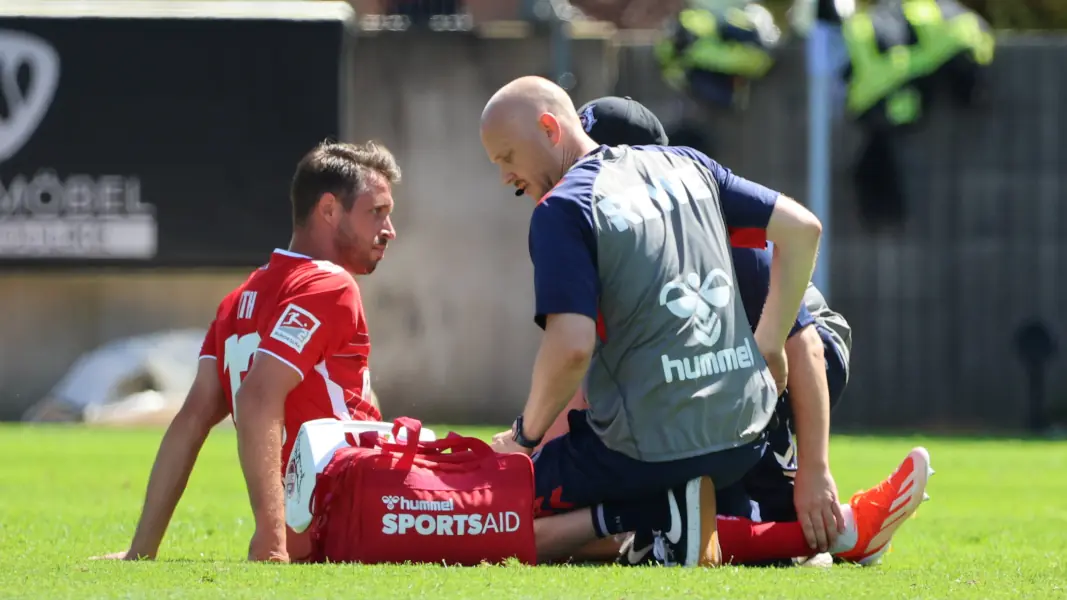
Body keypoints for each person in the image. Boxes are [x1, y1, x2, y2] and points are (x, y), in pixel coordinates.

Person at [478, 76, 929, 567]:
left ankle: (667, 515)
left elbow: (807, 347)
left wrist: (813, 466)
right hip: (735, 430)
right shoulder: (688, 175)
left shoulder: (579, 208)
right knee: (702, 520)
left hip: (781, 383)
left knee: (500, 513)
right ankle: (836, 530)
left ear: (553, 131)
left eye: (506, 158)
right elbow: (803, 228)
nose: (504, 178)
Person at [559, 96, 860, 565]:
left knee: (727, 445)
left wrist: (815, 471)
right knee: (686, 496)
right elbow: (589, 378)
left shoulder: (714, 232)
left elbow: (804, 349)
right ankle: (785, 530)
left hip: (791, 363)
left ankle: (810, 517)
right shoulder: (602, 239)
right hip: (699, 394)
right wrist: (527, 451)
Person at [92, 141, 400, 563]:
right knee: (499, 503)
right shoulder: (330, 284)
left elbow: (190, 421)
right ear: (329, 210)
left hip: (317, 531)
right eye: (377, 212)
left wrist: (140, 551)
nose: (389, 229)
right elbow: (257, 400)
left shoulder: (239, 299)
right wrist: (271, 541)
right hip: (357, 523)